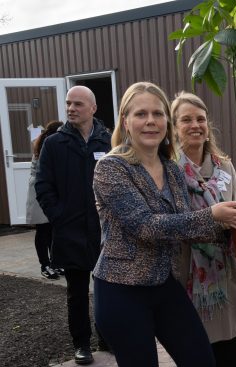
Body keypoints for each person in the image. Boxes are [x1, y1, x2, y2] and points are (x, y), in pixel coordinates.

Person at [91, 82, 236, 367]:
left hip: (165, 285)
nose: (151, 121)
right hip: (122, 290)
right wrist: (213, 216)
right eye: (141, 114)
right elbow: (146, 226)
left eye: (158, 113)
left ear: (166, 121)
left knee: (202, 359)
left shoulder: (172, 170)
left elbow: (186, 229)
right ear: (125, 121)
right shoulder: (111, 168)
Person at [171, 91, 236, 367]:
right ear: (174, 127)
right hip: (187, 277)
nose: (195, 125)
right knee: (196, 353)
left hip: (225, 275)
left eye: (200, 119)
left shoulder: (226, 167)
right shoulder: (167, 171)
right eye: (186, 120)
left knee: (232, 353)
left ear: (208, 126)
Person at [35, 86, 112, 364]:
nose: (71, 108)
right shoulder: (54, 144)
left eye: (78, 104)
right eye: (68, 103)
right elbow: (43, 186)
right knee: (77, 292)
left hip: (105, 230)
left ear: (92, 108)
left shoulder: (108, 141)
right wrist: (59, 215)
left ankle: (107, 338)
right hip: (71, 230)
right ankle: (81, 344)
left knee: (107, 288)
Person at [26, 120, 64, 280]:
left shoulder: (54, 145)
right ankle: (45, 265)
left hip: (52, 191)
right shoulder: (45, 147)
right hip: (40, 192)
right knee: (43, 230)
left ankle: (55, 262)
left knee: (53, 229)